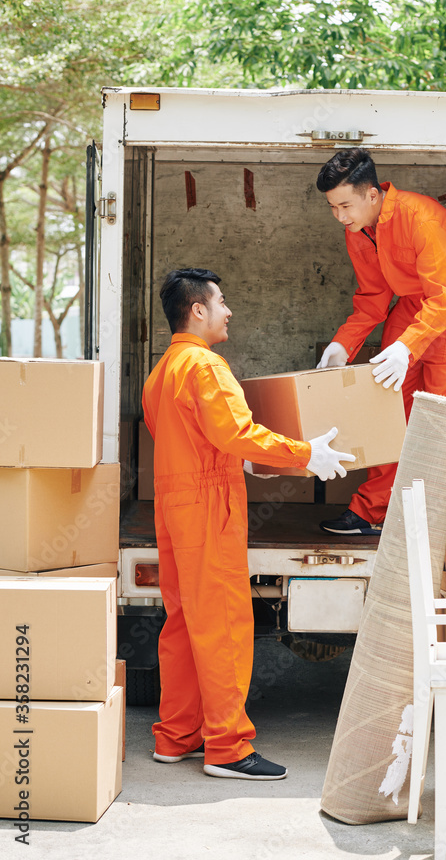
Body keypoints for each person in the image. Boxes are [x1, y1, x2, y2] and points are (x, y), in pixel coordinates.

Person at [142, 268, 354, 780]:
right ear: (198, 310)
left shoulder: (162, 372)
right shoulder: (205, 366)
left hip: (174, 506)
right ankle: (229, 749)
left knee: (184, 625)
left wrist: (247, 460)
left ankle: (178, 736)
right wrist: (304, 453)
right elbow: (236, 432)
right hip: (209, 507)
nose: (229, 310)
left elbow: (198, 437)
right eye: (221, 301)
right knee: (224, 628)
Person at [316, 149, 446, 536]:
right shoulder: (358, 232)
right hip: (415, 302)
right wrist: (343, 344)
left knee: (445, 416)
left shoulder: (420, 218)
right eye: (332, 207)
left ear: (372, 195)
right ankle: (373, 509)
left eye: (345, 205)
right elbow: (373, 298)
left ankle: (435, 524)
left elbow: (442, 298)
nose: (340, 216)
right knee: (388, 404)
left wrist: (409, 346)